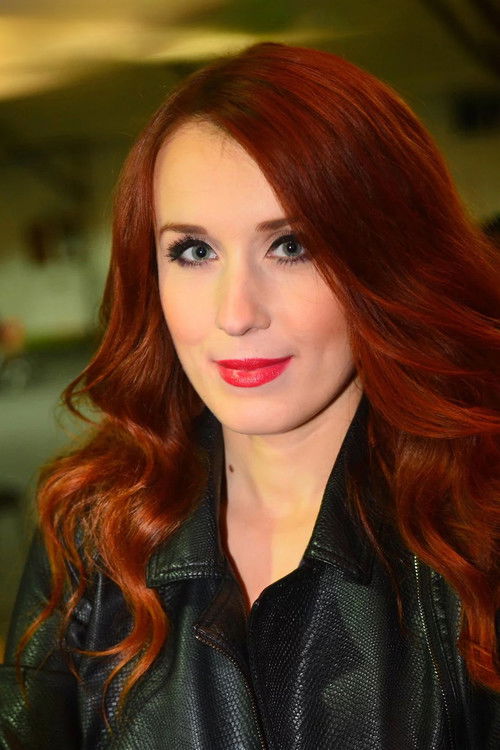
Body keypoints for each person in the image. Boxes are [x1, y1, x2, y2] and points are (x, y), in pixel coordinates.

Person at [0, 42, 498, 750]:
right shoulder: (94, 528)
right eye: (194, 251)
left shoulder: (479, 540)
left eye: (291, 245)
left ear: (389, 260)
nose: (235, 314)